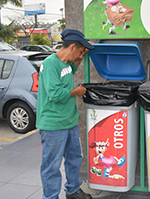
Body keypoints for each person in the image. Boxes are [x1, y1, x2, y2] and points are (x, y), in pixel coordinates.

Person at [36, 29, 95, 199]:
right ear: (72, 47)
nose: (81, 55)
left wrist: (81, 57)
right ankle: (50, 196)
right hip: (53, 125)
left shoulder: (66, 64)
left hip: (70, 122)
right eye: (80, 51)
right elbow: (54, 94)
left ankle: (72, 189)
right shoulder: (50, 64)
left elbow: (71, 71)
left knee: (74, 158)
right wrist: (77, 92)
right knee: (51, 166)